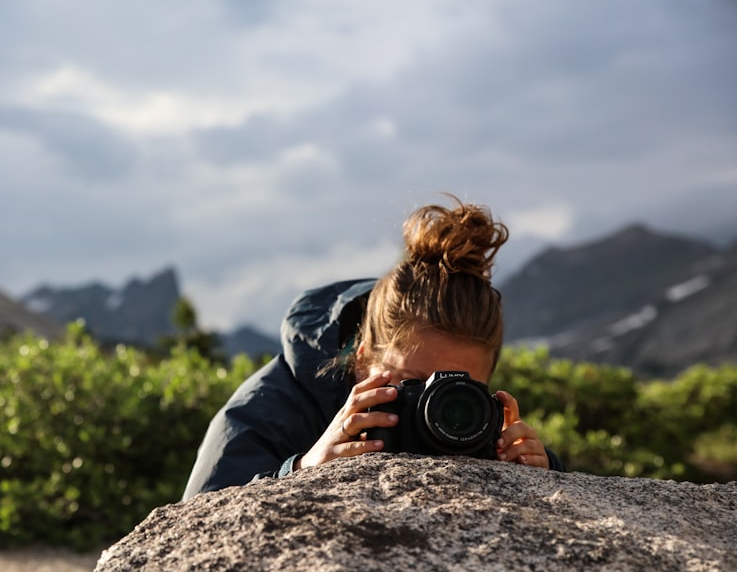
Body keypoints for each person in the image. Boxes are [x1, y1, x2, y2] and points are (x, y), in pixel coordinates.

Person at [183, 197, 564, 499]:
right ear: (363, 358)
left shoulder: (477, 424)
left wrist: (541, 470)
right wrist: (301, 470)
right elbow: (194, 525)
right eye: (414, 383)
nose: (438, 406)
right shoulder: (265, 412)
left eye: (458, 389)